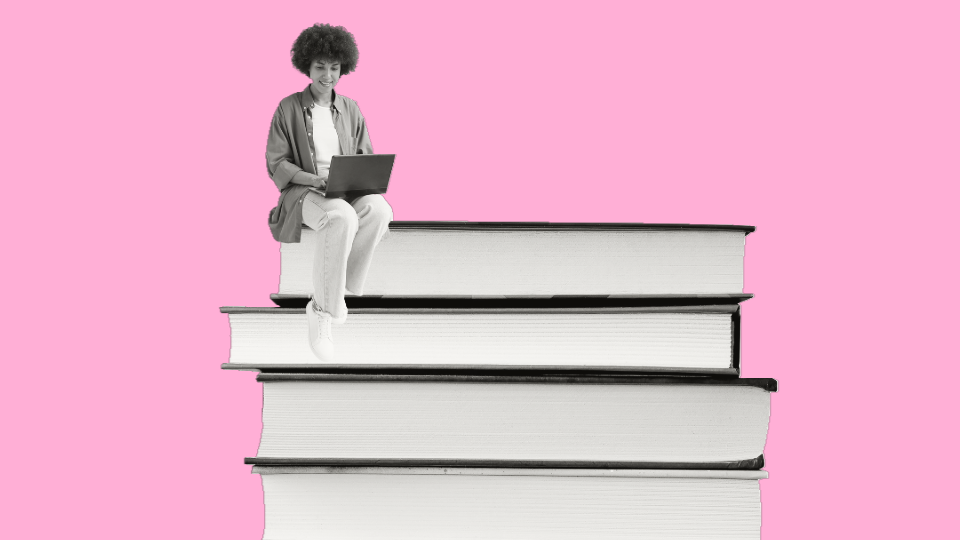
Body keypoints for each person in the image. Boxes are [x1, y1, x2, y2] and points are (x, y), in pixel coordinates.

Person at [266, 23, 393, 361]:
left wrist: (358, 177)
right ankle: (322, 310)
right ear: (306, 66)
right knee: (340, 216)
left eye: (334, 67)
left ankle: (336, 293)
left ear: (343, 68)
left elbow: (365, 154)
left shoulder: (351, 108)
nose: (327, 74)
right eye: (320, 66)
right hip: (304, 192)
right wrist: (313, 179)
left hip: (344, 187)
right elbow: (276, 164)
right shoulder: (288, 108)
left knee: (380, 210)